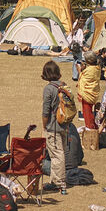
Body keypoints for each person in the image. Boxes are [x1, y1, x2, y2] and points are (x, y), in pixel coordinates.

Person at [40, 60, 68, 195]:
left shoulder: (49, 89)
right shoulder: (64, 86)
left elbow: (46, 110)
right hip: (64, 124)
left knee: (56, 155)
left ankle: (58, 182)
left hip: (53, 126)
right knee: (60, 152)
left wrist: (44, 125)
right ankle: (59, 180)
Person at [77, 53, 103, 130]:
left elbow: (83, 78)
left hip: (87, 93)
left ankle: (90, 128)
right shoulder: (97, 68)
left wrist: (80, 70)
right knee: (89, 112)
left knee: (87, 113)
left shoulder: (89, 70)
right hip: (93, 91)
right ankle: (93, 126)